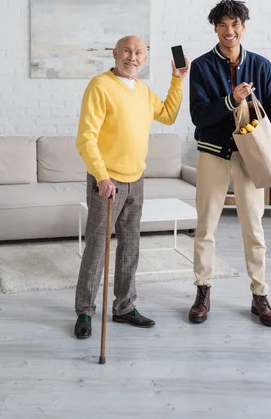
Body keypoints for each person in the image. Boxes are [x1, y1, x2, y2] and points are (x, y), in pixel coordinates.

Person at [189, 0, 271, 327]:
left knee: (255, 228)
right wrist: (230, 100)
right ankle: (203, 291)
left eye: (235, 24)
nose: (229, 31)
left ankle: (259, 295)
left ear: (243, 26)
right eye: (222, 25)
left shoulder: (262, 66)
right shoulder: (202, 66)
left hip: (252, 159)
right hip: (213, 154)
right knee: (206, 227)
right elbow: (199, 115)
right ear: (215, 28)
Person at [74, 35, 189, 338]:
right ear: (114, 53)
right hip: (107, 181)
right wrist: (100, 176)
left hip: (136, 179)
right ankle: (85, 311)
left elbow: (167, 114)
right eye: (127, 50)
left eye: (139, 52)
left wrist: (177, 81)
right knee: (97, 248)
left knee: (130, 248)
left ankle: (124, 307)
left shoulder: (143, 91)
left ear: (144, 58)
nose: (133, 57)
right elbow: (85, 137)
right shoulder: (100, 86)